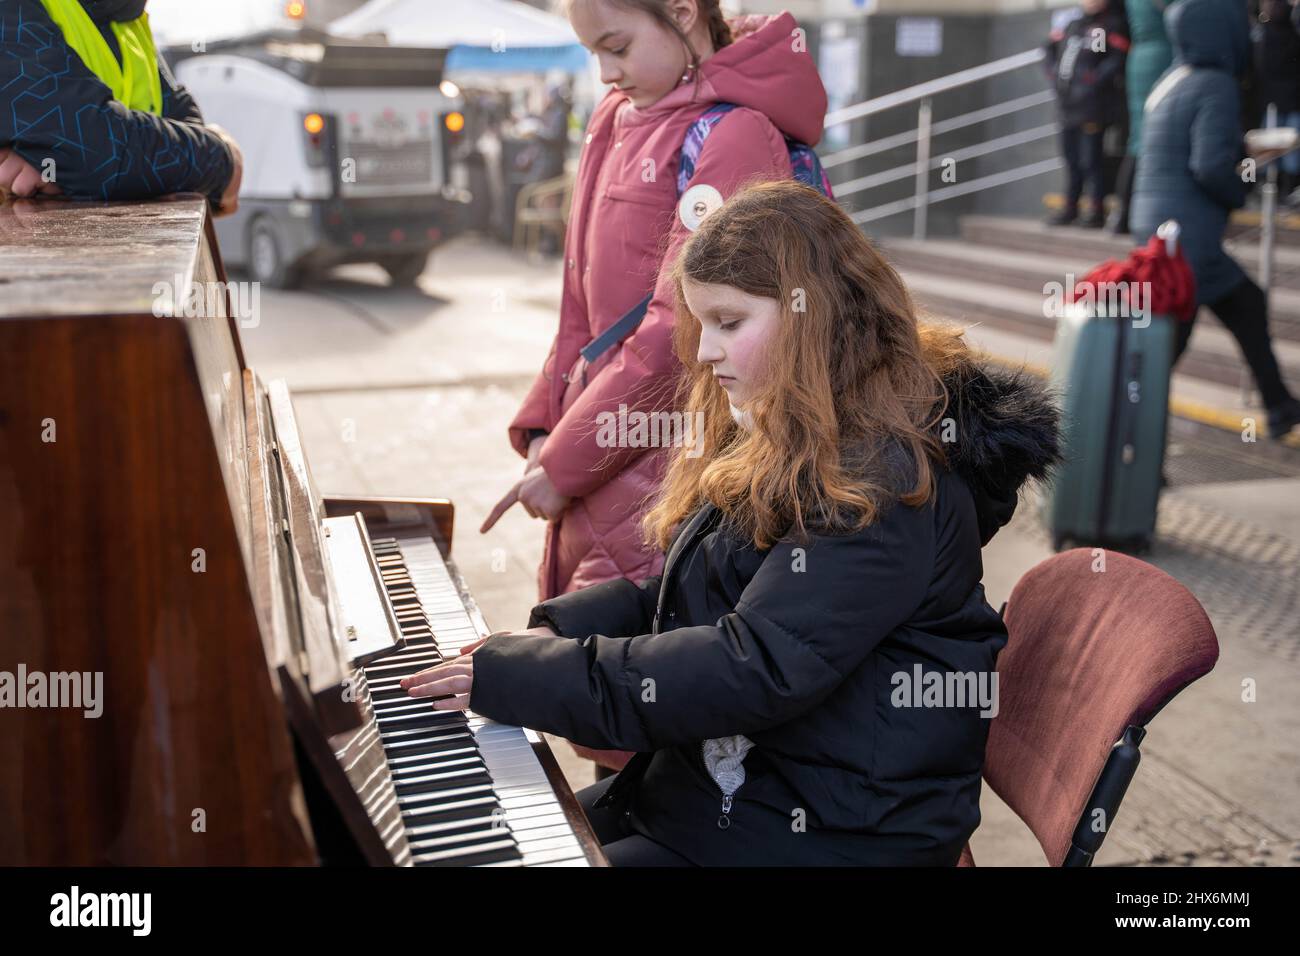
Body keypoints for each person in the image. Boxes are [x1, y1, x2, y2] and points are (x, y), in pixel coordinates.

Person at [401, 180, 1063, 867]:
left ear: (815, 316)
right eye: (700, 323)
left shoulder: (884, 480)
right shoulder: (800, 429)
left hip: (832, 833)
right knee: (480, 839)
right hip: (743, 791)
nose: (704, 352)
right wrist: (552, 633)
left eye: (729, 322)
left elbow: (751, 667)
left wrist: (528, 678)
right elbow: (698, 593)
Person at [478, 1, 828, 777]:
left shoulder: (736, 133)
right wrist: (545, 425)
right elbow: (579, 303)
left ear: (680, 11)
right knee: (607, 708)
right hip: (603, 453)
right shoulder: (615, 116)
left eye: (617, 45)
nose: (604, 72)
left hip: (669, 466)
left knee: (652, 727)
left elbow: (686, 336)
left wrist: (566, 461)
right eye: (591, 52)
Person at [1132, 0, 1300, 438]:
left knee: (1244, 305)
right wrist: (1242, 182)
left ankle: (1279, 404)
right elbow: (1208, 166)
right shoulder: (1216, 84)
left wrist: (1239, 152)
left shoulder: (1170, 81)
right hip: (1191, 244)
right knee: (1170, 347)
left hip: (1160, 232)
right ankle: (1131, 441)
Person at [0, 0, 240, 213]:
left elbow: (183, 124)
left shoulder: (126, 14)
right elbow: (98, 151)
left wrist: (69, 164)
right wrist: (223, 161)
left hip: (109, 255)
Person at [1045, 0, 1131, 227]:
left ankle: (1095, 210)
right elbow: (1048, 50)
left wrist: (1092, 81)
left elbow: (1115, 58)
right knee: (1071, 160)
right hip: (1067, 106)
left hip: (1093, 108)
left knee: (1090, 161)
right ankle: (1070, 207)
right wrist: (1055, 76)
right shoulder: (1072, 25)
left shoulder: (1109, 25)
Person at [1112, 0, 1178, 234]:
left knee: (1137, 140)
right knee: (1152, 141)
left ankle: (1122, 215)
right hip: (1162, 58)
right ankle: (1136, 213)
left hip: (1139, 58)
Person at [1253, 0, 1300, 202]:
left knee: (1267, 142)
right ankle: (1289, 186)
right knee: (1291, 145)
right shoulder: (1294, 36)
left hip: (1270, 99)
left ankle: (1264, 182)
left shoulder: (1262, 35)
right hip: (1293, 98)